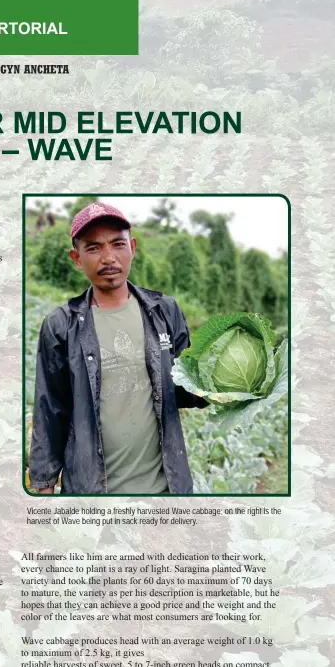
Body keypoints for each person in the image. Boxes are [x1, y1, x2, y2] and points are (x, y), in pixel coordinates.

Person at [28, 201, 206, 495]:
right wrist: (43, 484)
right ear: (76, 258)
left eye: (117, 244)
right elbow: (50, 409)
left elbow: (185, 388)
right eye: (94, 248)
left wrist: (222, 388)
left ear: (132, 247)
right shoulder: (61, 325)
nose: (108, 257)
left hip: (165, 490)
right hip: (92, 493)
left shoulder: (165, 311)